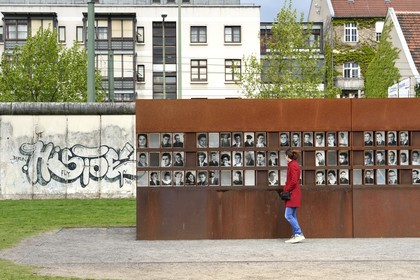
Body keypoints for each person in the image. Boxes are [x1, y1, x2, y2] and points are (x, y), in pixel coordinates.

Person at [283, 148, 305, 244]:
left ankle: (299, 233)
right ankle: (295, 235)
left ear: (288, 156)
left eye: (285, 155)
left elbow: (293, 181)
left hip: (293, 193)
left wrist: (287, 189)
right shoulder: (293, 164)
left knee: (288, 215)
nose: (285, 157)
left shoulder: (293, 165)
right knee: (293, 215)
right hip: (294, 193)